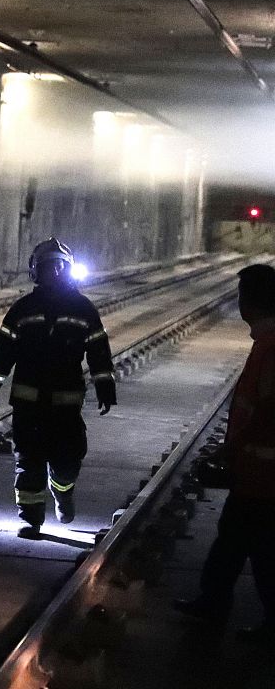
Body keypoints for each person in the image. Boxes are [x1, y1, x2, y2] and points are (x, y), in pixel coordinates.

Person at [0, 237, 116, 538]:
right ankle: (31, 518)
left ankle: (62, 491)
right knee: (28, 462)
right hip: (29, 405)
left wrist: (105, 387)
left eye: (58, 268)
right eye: (48, 268)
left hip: (65, 405)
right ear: (37, 272)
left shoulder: (83, 309)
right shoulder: (22, 310)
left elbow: (99, 352)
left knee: (67, 462)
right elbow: (2, 357)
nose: (54, 273)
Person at [173, 264, 275, 643]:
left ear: (250, 301)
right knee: (232, 540)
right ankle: (212, 601)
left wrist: (232, 448)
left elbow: (266, 409)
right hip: (254, 470)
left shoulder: (271, 347)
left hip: (264, 475)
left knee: (261, 551)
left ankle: (253, 618)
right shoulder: (265, 344)